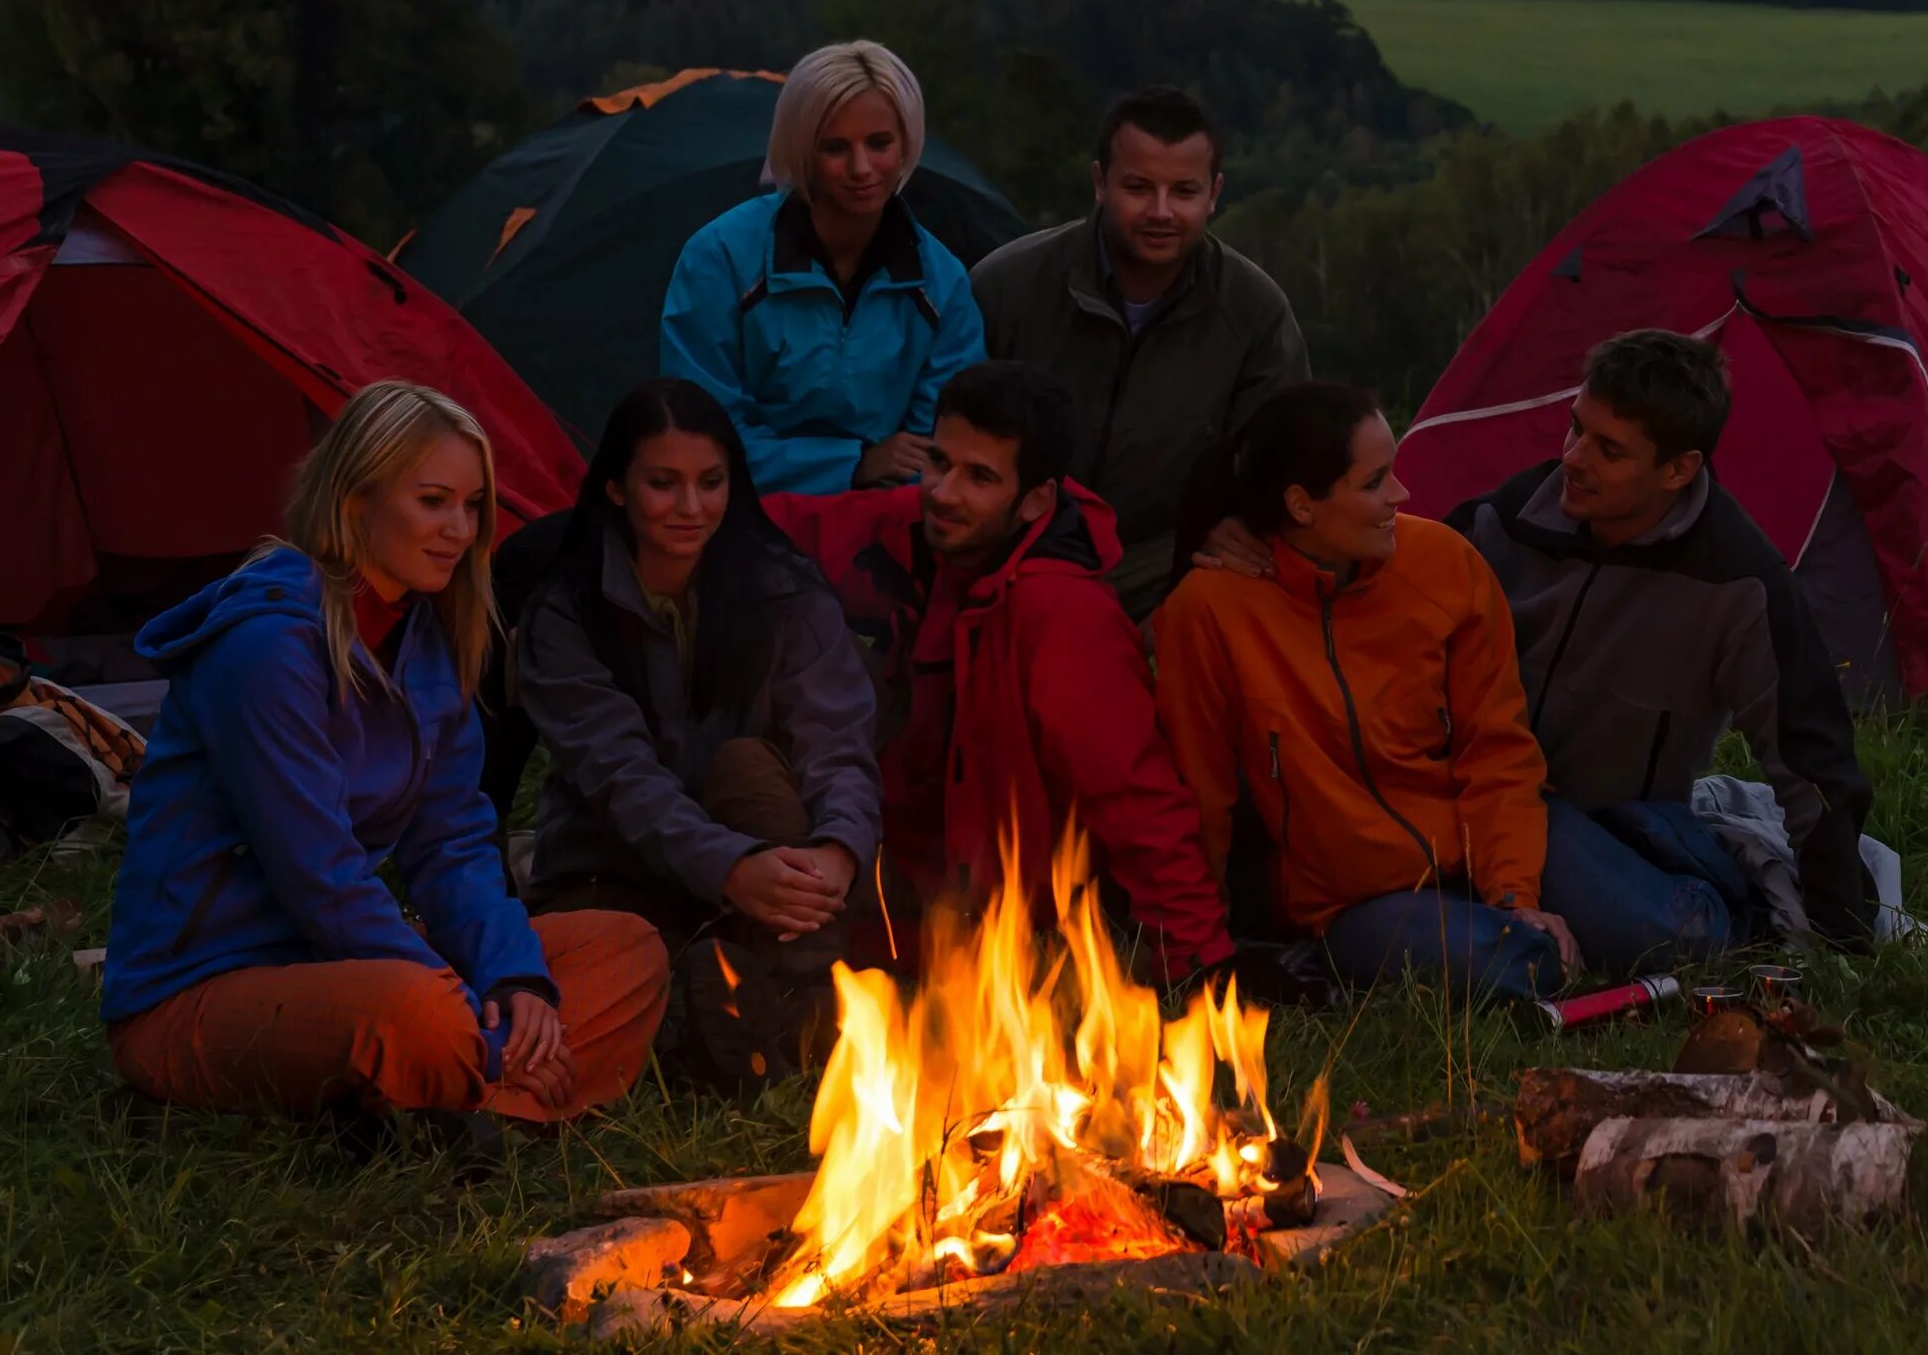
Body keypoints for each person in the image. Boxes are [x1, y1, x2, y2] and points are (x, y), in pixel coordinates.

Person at [101, 382, 667, 1143]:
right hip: (199, 990)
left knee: (625, 949)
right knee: (415, 1014)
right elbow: (322, 880)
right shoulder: (265, 647)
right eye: (433, 500)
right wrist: (483, 1021)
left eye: (472, 507)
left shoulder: (425, 640)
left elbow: (452, 843)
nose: (459, 530)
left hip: (338, 966)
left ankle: (457, 1104)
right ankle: (479, 1088)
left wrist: (514, 979)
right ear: (355, 497)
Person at [766, 360, 1232, 984]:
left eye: (980, 476)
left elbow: (1136, 796)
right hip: (893, 845)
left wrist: (1196, 961)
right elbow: (775, 526)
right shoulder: (921, 524)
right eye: (938, 461)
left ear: (1036, 499)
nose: (944, 491)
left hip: (992, 913)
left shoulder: (1061, 614)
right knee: (751, 756)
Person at [1447, 331, 1876, 970]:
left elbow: (1812, 757)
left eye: (1609, 450)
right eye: (1575, 429)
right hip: (1466, 793)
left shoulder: (1736, 582)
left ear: (1678, 469)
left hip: (1603, 830)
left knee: (1679, 938)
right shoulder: (1504, 523)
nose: (1573, 458)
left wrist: (1844, 935)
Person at [511, 380, 883, 1088]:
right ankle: (720, 997)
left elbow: (837, 737)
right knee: (630, 955)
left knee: (749, 763)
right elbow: (623, 780)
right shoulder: (568, 611)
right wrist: (730, 869)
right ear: (617, 488)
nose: (691, 507)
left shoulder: (779, 587)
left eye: (711, 483)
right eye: (663, 483)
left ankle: (802, 986)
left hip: (767, 855)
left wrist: (838, 848)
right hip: (616, 861)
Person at [1153, 383, 1574, 1003]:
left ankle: (1637, 866)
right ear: (1301, 505)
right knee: (1519, 969)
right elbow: (1198, 796)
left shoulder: (1444, 564)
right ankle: (1542, 948)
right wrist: (1196, 951)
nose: (1401, 496)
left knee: (1674, 930)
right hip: (1359, 899)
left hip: (1487, 839)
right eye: (1375, 481)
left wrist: (1514, 894)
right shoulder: (1210, 610)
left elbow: (1499, 748)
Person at [970, 86, 1306, 619]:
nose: (1161, 212)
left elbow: (1282, 461)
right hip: (1006, 560)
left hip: (1164, 570)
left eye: (1184, 191)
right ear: (1100, 182)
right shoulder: (1006, 286)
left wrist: (1241, 525)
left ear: (1215, 192)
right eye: (1138, 187)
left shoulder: (1254, 312)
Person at [662, 40, 987, 496]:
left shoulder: (942, 284)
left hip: (889, 523)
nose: (861, 168)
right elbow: (700, 435)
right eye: (835, 147)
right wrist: (850, 465)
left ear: (907, 143)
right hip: (738, 516)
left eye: (879, 143)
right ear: (801, 150)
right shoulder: (720, 260)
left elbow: (944, 448)